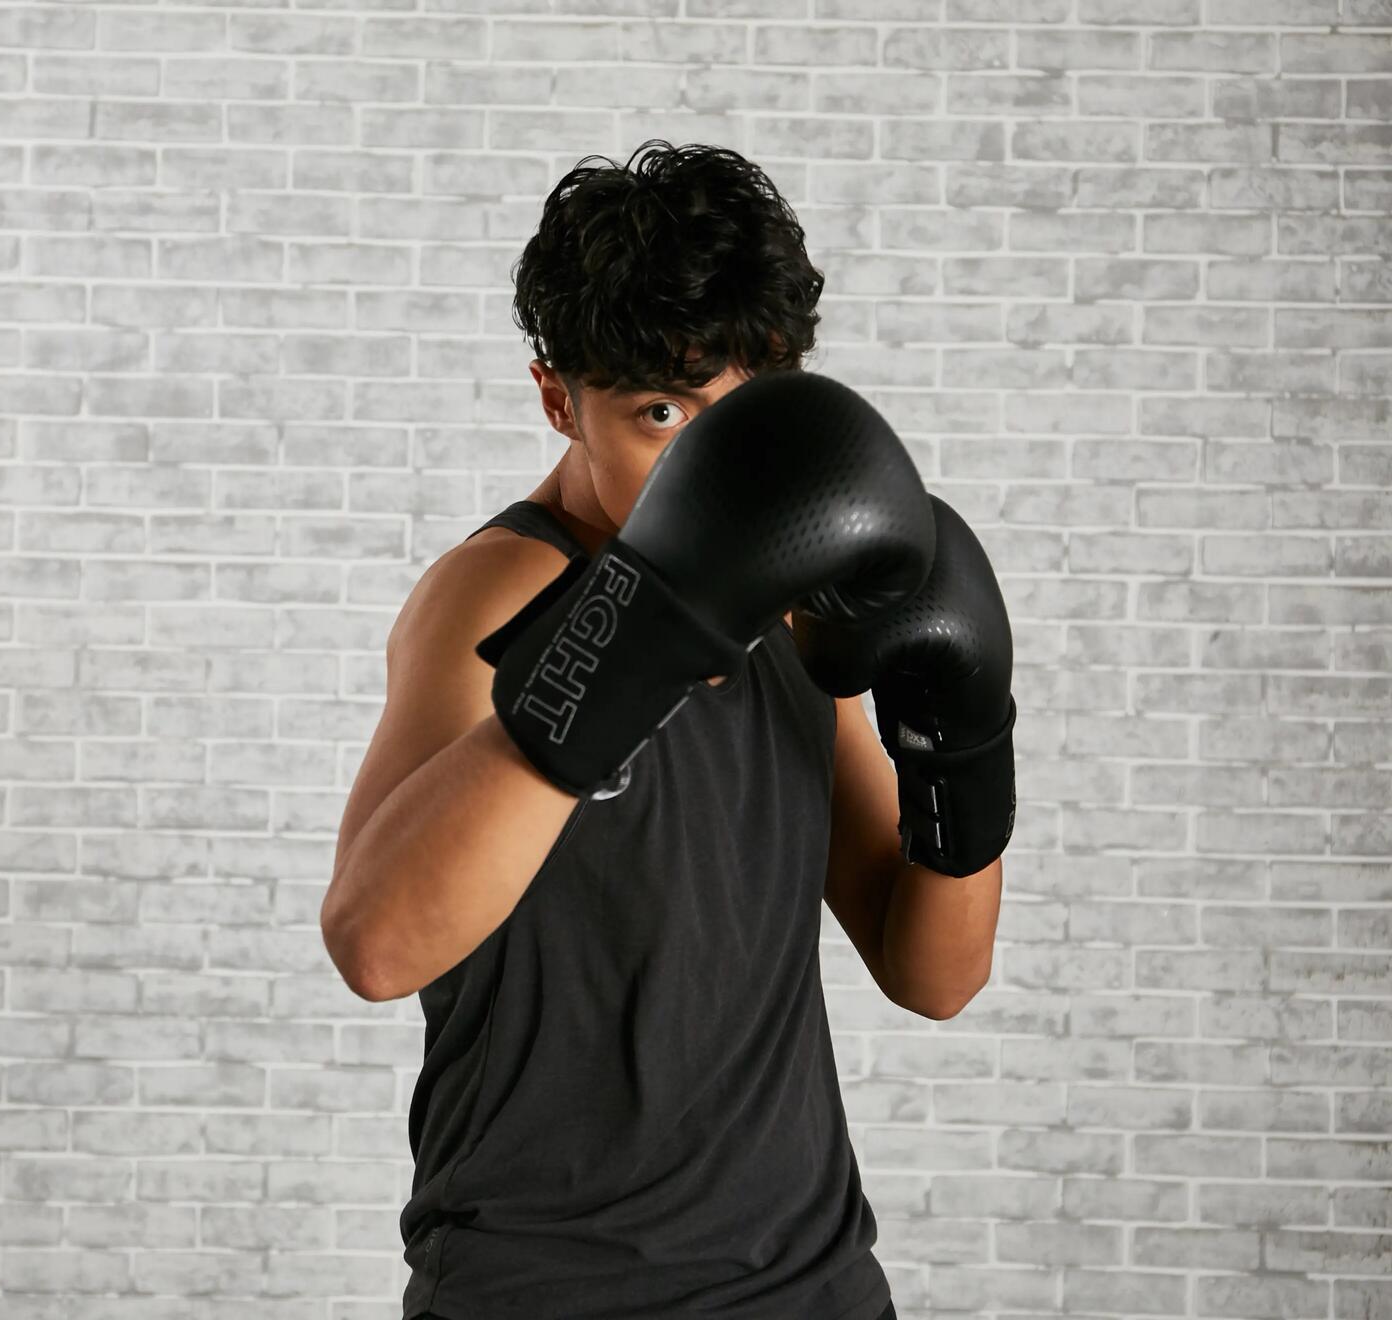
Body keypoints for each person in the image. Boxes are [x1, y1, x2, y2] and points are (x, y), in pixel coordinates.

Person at [323, 140, 1012, 1320]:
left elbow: (931, 973)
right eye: (658, 412)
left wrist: (966, 746)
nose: (707, 458)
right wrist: (626, 642)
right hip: (547, 1291)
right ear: (558, 401)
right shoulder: (493, 595)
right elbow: (377, 947)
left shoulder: (798, 595)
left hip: (813, 1289)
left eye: (740, 413)